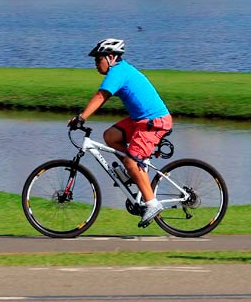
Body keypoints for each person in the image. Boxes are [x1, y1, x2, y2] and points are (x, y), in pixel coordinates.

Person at [68, 38, 173, 227]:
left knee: (131, 161)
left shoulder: (118, 71)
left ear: (110, 57)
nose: (95, 64)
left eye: (98, 59)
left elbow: (101, 96)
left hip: (153, 121)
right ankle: (134, 169)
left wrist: (81, 118)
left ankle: (152, 203)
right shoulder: (120, 70)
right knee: (111, 136)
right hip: (140, 120)